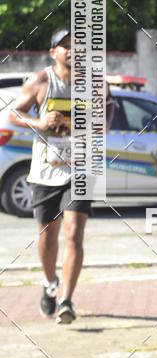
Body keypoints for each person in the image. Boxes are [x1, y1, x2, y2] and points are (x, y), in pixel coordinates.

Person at [9, 28, 113, 324]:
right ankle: (49, 282)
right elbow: (14, 114)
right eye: (64, 46)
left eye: (77, 45)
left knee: (73, 232)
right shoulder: (41, 81)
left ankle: (66, 300)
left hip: (81, 168)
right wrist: (40, 122)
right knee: (47, 235)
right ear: (53, 52)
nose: (72, 50)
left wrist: (102, 127)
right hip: (46, 171)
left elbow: (109, 106)